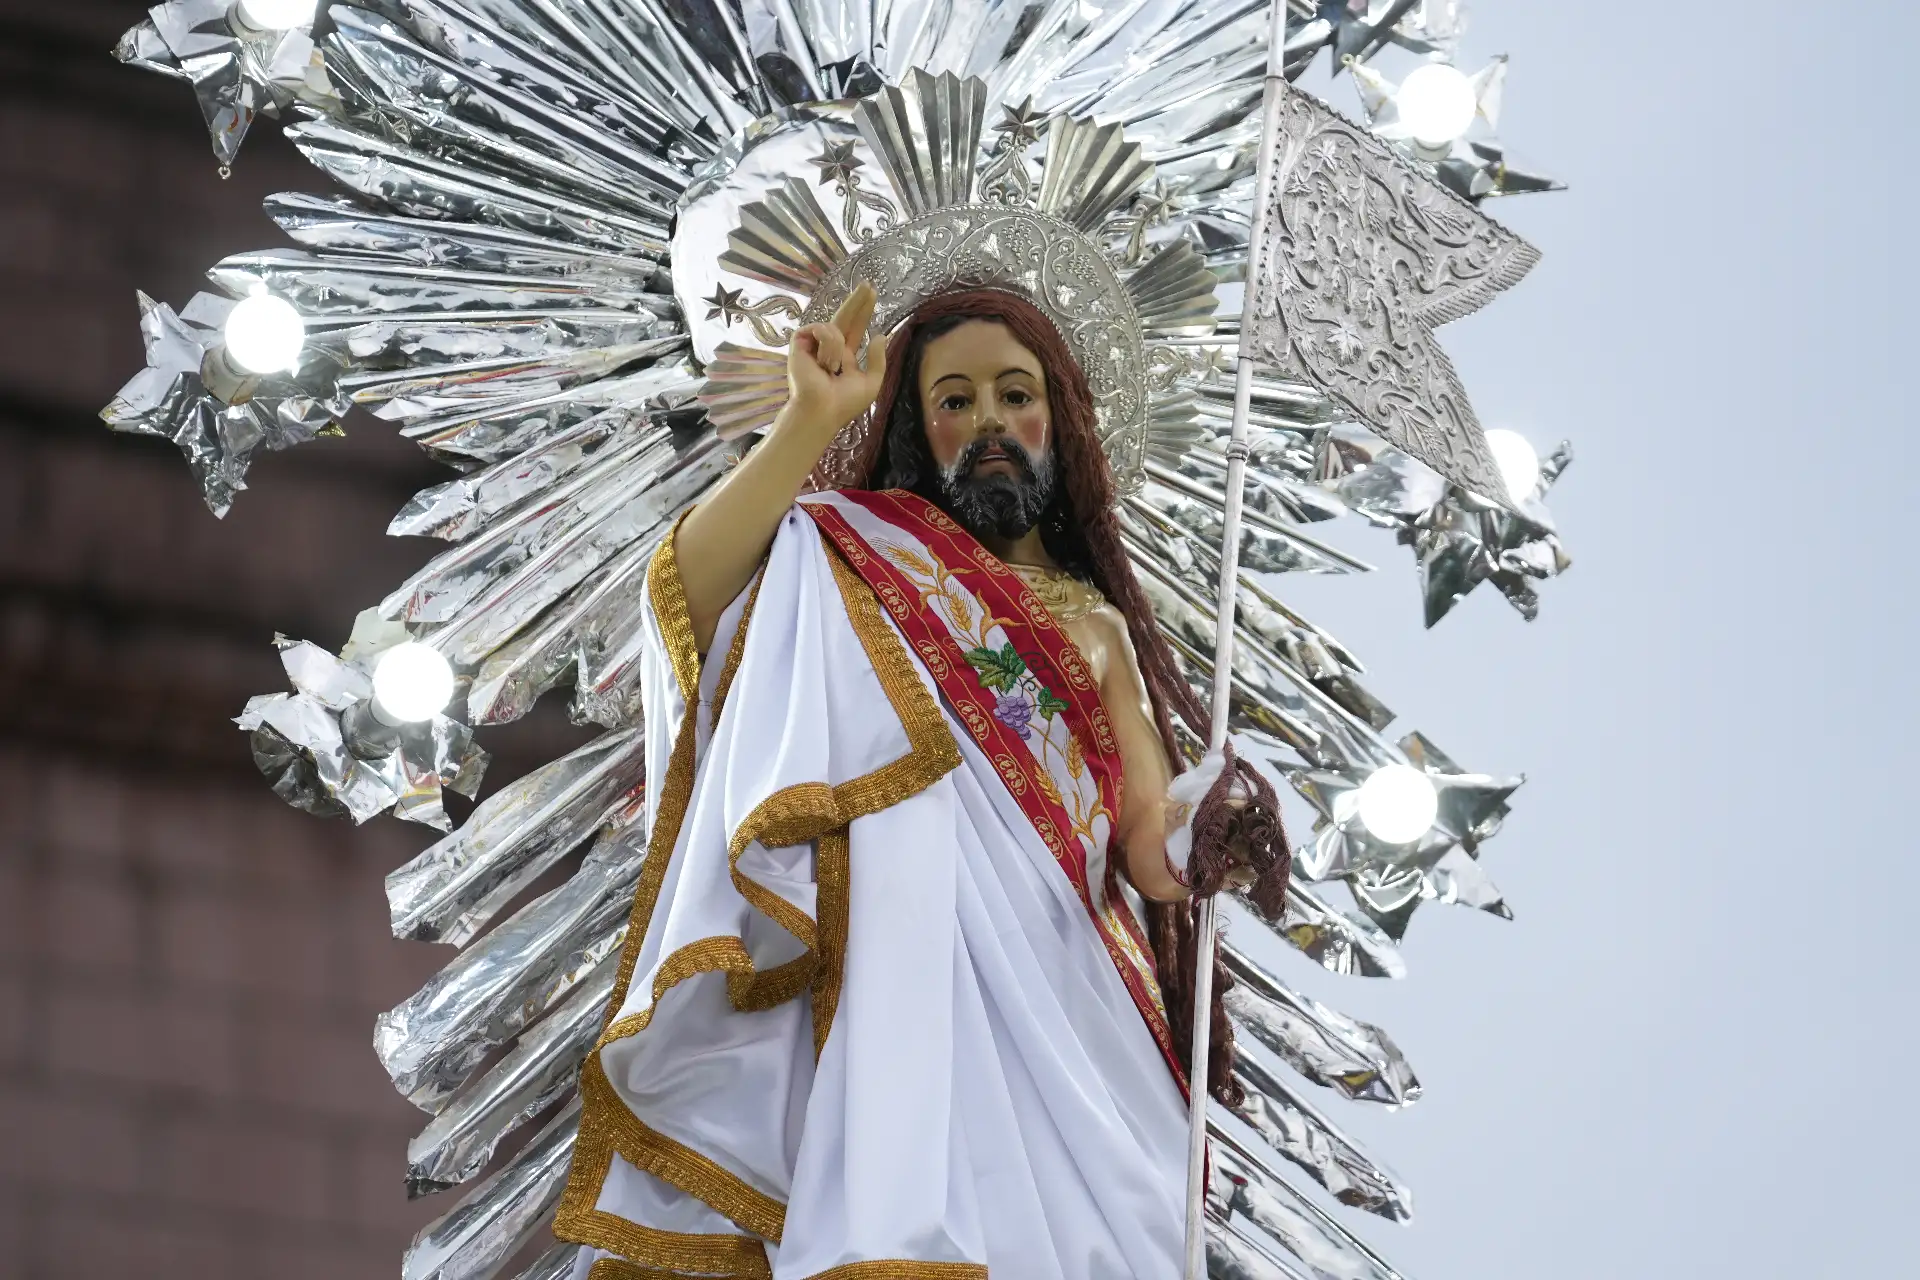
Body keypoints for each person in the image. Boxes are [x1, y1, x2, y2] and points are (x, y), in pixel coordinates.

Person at [555, 281, 1285, 1279]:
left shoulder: (1095, 624)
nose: (987, 421)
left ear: (1058, 418)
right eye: (954, 399)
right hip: (898, 970)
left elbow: (1148, 846)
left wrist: (1208, 830)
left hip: (1069, 995)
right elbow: (686, 589)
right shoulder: (848, 555)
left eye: (1012, 393)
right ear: (914, 424)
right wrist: (809, 420)